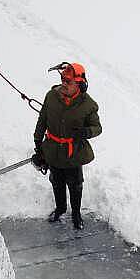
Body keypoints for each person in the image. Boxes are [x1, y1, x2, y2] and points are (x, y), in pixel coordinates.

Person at [33, 62, 102, 230]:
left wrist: (85, 132)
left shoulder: (88, 104)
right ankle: (60, 208)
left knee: (75, 184)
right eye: (63, 79)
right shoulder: (51, 96)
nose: (64, 84)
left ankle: (76, 214)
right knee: (56, 181)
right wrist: (38, 143)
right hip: (53, 150)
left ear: (79, 84)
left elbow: (97, 128)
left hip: (74, 153)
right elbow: (42, 120)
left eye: (68, 82)